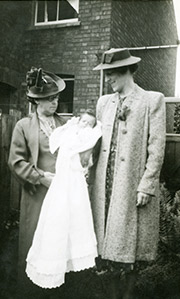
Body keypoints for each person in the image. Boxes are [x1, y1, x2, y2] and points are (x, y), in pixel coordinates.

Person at [90, 48, 166, 299]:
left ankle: (129, 294)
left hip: (132, 183)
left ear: (125, 72)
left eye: (111, 74)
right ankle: (111, 293)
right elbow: (96, 142)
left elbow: (156, 148)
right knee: (106, 240)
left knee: (130, 244)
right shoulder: (104, 102)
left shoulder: (151, 101)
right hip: (106, 182)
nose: (108, 79)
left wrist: (147, 184)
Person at [25, 110, 102, 289]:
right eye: (83, 121)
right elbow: (55, 143)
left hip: (73, 181)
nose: (85, 125)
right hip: (52, 183)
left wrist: (93, 129)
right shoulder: (66, 128)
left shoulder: (84, 134)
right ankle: (49, 267)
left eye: (89, 124)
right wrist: (40, 176)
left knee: (74, 219)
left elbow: (90, 143)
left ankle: (71, 265)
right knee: (54, 222)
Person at [8, 67, 66, 298]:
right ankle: (30, 291)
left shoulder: (64, 124)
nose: (55, 102)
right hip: (37, 196)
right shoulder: (24, 126)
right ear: (37, 101)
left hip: (61, 196)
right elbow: (16, 161)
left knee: (58, 243)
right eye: (50, 99)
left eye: (56, 98)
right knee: (34, 243)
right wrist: (41, 177)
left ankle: (57, 288)